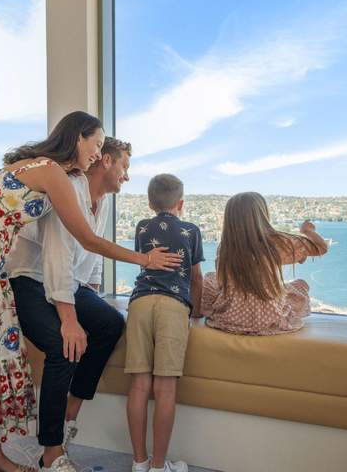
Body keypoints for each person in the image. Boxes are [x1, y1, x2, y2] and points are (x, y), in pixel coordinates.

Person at [0, 111, 181, 472]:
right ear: (77, 137)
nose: (98, 154)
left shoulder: (47, 170)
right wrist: (145, 258)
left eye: (102, 147)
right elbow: (83, 240)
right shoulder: (52, 172)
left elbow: (81, 252)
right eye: (96, 145)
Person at [6, 137, 132, 472]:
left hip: (67, 283)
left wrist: (88, 297)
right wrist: (69, 318)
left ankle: (69, 413)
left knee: (110, 324)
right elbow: (56, 258)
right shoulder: (69, 188)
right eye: (125, 166)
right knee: (63, 347)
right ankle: (50, 451)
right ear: (105, 160)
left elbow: (89, 261)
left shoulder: (101, 200)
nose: (127, 176)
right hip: (30, 278)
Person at [125, 174, 204, 472]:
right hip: (173, 307)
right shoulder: (192, 230)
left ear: (149, 202)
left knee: (139, 385)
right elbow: (196, 279)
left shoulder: (141, 227)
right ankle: (159, 466)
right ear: (181, 203)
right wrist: (195, 312)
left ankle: (139, 462)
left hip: (140, 303)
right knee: (166, 388)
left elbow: (144, 262)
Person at [198, 192, 328, 336]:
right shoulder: (277, 242)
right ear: (262, 214)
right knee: (300, 285)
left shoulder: (225, 247)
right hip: (270, 318)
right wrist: (307, 231)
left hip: (231, 317)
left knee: (210, 278)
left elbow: (223, 282)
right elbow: (321, 247)